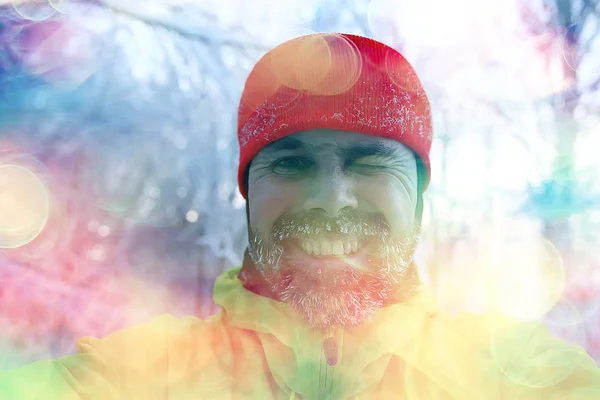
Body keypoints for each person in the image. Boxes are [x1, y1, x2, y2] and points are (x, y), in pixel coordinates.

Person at [1, 32, 599, 400]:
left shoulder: (518, 377)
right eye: (290, 164)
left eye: (368, 162)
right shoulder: (140, 376)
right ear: (248, 191)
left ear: (418, 195)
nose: (329, 199)